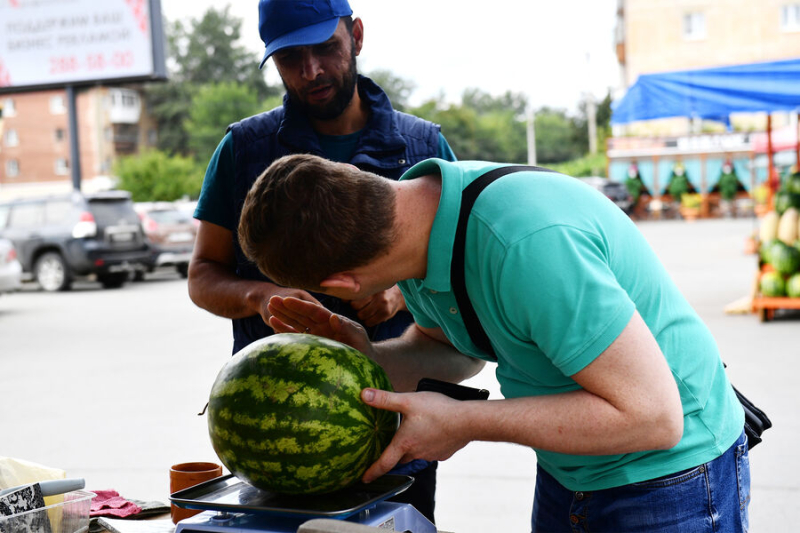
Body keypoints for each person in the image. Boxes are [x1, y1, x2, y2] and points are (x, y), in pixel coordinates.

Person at [238, 154, 750, 533]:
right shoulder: (411, 230)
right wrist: (368, 357)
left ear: (344, 283)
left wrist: (463, 423)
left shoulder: (526, 244)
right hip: (571, 467)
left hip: (670, 476)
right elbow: (456, 352)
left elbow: (653, 418)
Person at [187, 0, 455, 522]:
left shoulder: (424, 146)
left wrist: (402, 290)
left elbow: (455, 277)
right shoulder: (243, 148)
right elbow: (202, 275)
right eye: (290, 58)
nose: (311, 71)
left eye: (325, 48)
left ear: (355, 35)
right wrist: (260, 294)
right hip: (281, 431)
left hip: (398, 419)